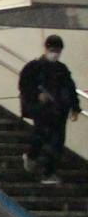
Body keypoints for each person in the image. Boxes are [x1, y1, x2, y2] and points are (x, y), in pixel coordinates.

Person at [19, 34, 81, 185]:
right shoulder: (33, 67)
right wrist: (37, 95)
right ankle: (32, 156)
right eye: (53, 50)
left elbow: (70, 88)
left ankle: (49, 172)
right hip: (41, 110)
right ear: (46, 48)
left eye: (58, 51)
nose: (55, 54)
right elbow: (24, 86)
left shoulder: (62, 69)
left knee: (57, 142)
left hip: (59, 111)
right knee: (41, 135)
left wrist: (75, 107)